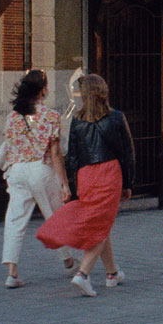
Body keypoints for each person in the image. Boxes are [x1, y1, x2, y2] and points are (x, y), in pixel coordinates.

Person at [37, 73, 134, 295]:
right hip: (109, 172)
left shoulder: (77, 120)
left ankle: (112, 273)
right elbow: (127, 154)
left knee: (101, 221)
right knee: (100, 225)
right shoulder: (116, 118)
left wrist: (71, 183)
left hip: (86, 175)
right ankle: (83, 274)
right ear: (102, 92)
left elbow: (73, 155)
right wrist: (129, 183)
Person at [0, 69, 70, 289]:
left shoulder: (12, 117)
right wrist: (64, 183)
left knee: (14, 220)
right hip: (41, 169)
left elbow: (8, 147)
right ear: (42, 90)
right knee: (54, 215)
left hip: (17, 171)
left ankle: (12, 272)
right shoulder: (50, 116)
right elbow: (56, 154)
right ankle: (66, 258)